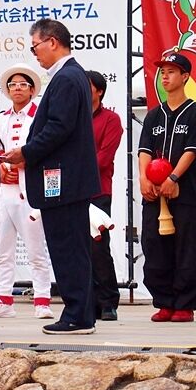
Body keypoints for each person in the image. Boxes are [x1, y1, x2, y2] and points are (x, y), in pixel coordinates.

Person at [3, 19, 100, 335]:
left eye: (35, 47)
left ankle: (77, 315)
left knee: (67, 247)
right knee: (70, 247)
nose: (35, 55)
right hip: (66, 178)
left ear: (53, 42)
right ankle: (80, 312)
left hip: (64, 179)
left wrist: (26, 152)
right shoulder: (71, 76)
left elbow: (59, 128)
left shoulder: (67, 78)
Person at [138, 52, 196, 323]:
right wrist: (144, 179)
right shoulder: (154, 115)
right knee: (154, 246)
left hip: (184, 192)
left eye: (171, 72)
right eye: (163, 72)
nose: (165, 77)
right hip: (154, 195)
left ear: (185, 76)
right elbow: (144, 150)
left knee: (186, 248)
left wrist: (174, 178)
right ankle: (164, 301)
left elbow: (192, 150)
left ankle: (185, 304)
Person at [0, 63, 54, 320]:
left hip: (30, 189)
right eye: (13, 85)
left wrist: (26, 162)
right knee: (2, 248)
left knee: (35, 248)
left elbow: (46, 147)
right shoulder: (0, 118)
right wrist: (1, 168)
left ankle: (42, 300)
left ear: (31, 90)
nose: (17, 89)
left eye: (23, 85)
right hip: (4, 190)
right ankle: (3, 299)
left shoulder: (40, 116)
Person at [85, 70, 124, 322]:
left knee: (98, 247)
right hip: (72, 193)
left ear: (99, 91)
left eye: (88, 85)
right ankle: (87, 302)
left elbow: (104, 157)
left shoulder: (111, 119)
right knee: (79, 249)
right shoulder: (73, 118)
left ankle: (108, 301)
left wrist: (75, 169)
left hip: (98, 191)